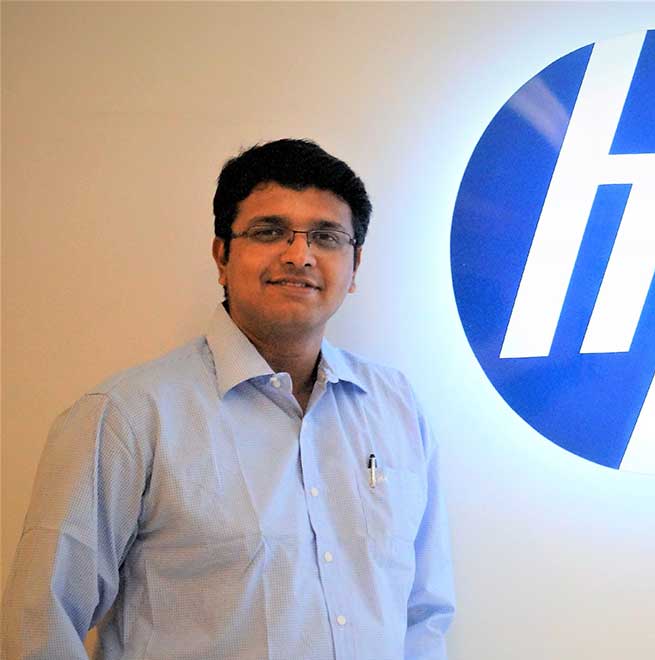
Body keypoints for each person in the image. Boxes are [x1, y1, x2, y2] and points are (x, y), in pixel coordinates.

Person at [2, 139, 455, 659]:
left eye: (326, 236)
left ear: (355, 265)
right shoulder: (128, 416)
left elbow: (424, 615)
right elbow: (39, 626)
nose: (299, 255)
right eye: (269, 232)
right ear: (222, 256)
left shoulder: (396, 407)